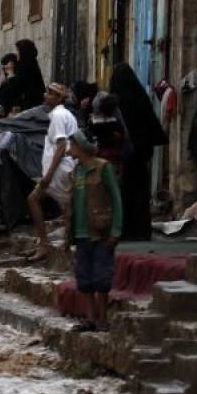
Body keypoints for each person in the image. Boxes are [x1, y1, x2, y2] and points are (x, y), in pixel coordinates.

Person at [66, 130, 123, 331]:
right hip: (81, 233)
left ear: (81, 148)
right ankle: (90, 318)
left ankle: (102, 318)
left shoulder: (103, 168)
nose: (69, 150)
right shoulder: (76, 171)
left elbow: (116, 198)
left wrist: (116, 229)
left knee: (102, 277)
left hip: (101, 231)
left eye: (72, 146)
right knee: (85, 277)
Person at [109, 62, 168, 240]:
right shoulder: (140, 97)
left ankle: (126, 230)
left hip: (125, 156)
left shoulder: (116, 101)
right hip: (141, 155)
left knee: (124, 192)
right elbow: (149, 126)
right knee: (140, 193)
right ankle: (141, 230)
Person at [26, 82, 79, 263]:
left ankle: (44, 245)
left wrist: (48, 175)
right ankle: (65, 242)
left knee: (34, 199)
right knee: (67, 207)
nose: (45, 95)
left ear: (58, 98)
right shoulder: (66, 114)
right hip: (66, 167)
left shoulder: (57, 115)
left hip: (59, 169)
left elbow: (62, 145)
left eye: (50, 93)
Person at [88, 92, 132, 176]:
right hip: (113, 156)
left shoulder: (93, 123)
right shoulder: (116, 122)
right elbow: (122, 135)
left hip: (98, 155)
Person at [10, 39, 46, 113]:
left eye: (17, 50)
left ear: (23, 51)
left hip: (29, 104)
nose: (16, 53)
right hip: (34, 103)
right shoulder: (31, 62)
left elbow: (18, 85)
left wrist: (11, 76)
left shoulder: (25, 66)